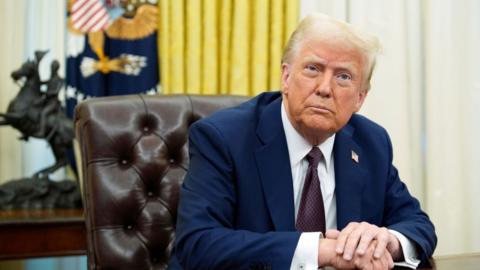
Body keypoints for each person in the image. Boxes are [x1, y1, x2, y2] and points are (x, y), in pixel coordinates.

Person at [169, 13, 437, 270]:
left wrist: (385, 242)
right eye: (313, 69)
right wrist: (323, 251)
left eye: (343, 76)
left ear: (360, 98)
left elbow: (417, 224)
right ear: (286, 77)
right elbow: (198, 244)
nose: (324, 88)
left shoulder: (371, 142)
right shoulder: (224, 138)